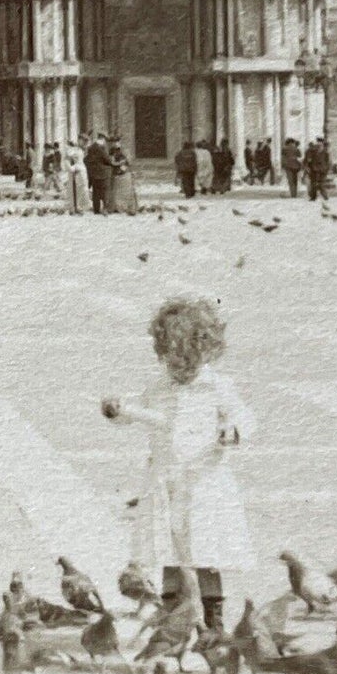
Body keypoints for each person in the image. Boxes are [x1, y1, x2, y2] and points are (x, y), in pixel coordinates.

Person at [101, 297, 255, 631]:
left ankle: (213, 618)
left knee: (207, 552)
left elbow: (245, 416)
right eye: (172, 361)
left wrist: (233, 430)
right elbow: (138, 413)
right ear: (162, 354)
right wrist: (118, 411)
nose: (179, 370)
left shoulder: (218, 386)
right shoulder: (157, 386)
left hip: (205, 482)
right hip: (165, 481)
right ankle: (174, 611)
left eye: (187, 362)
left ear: (207, 352)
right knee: (167, 550)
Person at [107, 137, 139, 215]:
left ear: (120, 142)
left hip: (124, 173)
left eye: (117, 142)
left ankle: (128, 207)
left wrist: (123, 166)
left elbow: (128, 162)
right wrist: (119, 163)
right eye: (113, 142)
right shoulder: (111, 151)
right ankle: (116, 207)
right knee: (116, 192)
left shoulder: (124, 150)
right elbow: (112, 162)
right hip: (115, 173)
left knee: (127, 191)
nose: (115, 143)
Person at [83, 133, 113, 215]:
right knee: (105, 191)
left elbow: (86, 159)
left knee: (95, 192)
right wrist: (111, 162)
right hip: (103, 173)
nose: (105, 143)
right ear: (103, 139)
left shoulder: (91, 148)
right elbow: (108, 160)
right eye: (105, 141)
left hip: (93, 174)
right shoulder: (101, 148)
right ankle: (105, 209)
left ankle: (96, 210)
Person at [64, 141, 88, 214]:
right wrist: (71, 168)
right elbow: (67, 160)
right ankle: (74, 208)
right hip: (75, 171)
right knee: (74, 190)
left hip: (80, 171)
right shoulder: (72, 151)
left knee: (81, 189)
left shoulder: (80, 151)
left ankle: (79, 207)